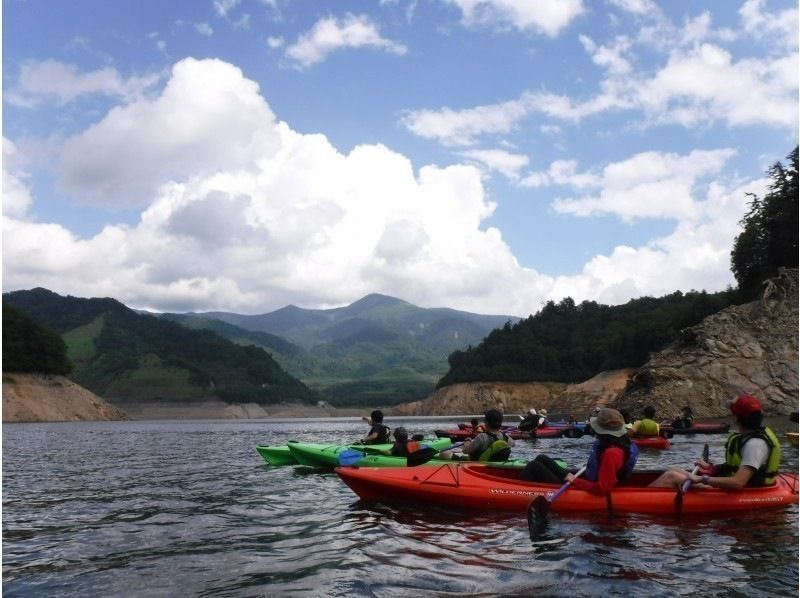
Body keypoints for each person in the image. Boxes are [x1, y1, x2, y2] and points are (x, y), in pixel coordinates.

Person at [650, 395, 780, 489]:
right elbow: (734, 467)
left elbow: (738, 482)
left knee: (671, 476)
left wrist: (702, 478)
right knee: (673, 470)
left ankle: (640, 501)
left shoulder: (755, 445)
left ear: (736, 418)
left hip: (743, 492)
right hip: (736, 488)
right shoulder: (748, 438)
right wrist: (711, 469)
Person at [520, 408, 639, 495]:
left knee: (533, 466)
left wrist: (575, 481)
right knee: (541, 458)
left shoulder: (612, 453)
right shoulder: (619, 444)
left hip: (585, 488)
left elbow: (601, 489)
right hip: (587, 480)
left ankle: (521, 492)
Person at [441, 409, 515, 461]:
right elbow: (513, 444)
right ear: (500, 424)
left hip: (477, 463)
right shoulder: (506, 437)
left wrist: (467, 441)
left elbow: (465, 450)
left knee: (443, 453)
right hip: (496, 460)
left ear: (486, 422)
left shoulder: (481, 437)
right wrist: (500, 433)